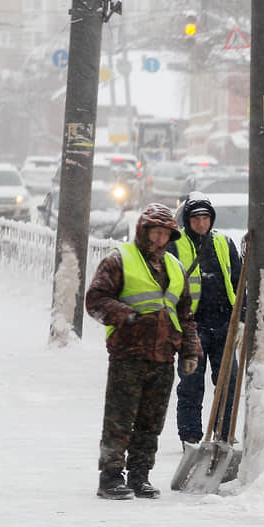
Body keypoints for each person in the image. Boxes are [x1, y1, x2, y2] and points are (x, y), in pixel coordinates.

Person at [85, 203, 201, 500]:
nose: (160, 238)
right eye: (155, 232)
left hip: (164, 356)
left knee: (152, 421)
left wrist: (190, 350)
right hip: (128, 353)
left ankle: (140, 475)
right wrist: (127, 316)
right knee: (120, 418)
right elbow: (96, 300)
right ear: (143, 231)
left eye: (165, 233)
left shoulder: (175, 267)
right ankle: (110, 477)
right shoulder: (119, 260)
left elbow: (185, 315)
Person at [167, 192, 242, 447]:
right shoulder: (175, 246)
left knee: (228, 383)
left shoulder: (224, 243)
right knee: (190, 384)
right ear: (188, 220)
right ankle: (190, 437)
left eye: (205, 218)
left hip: (223, 327)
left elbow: (239, 283)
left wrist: (240, 317)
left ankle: (224, 434)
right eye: (196, 218)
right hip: (192, 329)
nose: (201, 223)